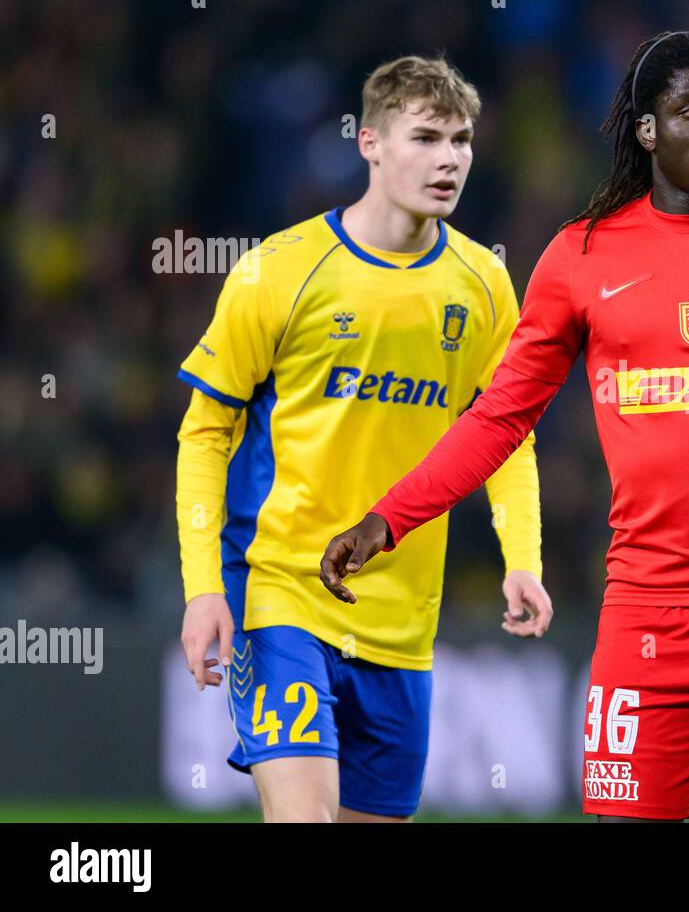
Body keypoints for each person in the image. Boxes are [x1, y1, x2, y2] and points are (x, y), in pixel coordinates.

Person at [321, 31, 689, 822]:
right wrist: (388, 518)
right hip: (649, 612)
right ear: (646, 129)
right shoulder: (582, 258)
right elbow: (499, 417)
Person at [176, 55, 552, 822]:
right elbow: (206, 432)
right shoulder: (278, 271)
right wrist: (204, 586)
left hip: (403, 623)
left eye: (462, 140)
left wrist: (524, 559)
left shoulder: (482, 285)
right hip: (280, 594)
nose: (449, 159)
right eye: (425, 137)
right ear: (370, 143)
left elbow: (507, 435)